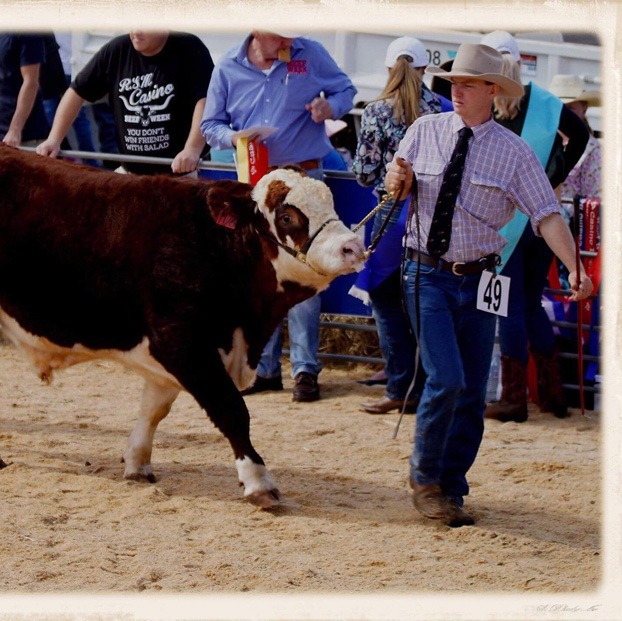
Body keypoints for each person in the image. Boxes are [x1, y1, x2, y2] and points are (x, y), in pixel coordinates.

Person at [385, 43, 593, 527]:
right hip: (425, 273)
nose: (456, 90)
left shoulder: (516, 153)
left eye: (468, 84)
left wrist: (574, 268)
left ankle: (452, 487)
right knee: (448, 378)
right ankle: (426, 478)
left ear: (491, 90)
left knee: (473, 390)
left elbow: (546, 215)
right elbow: (392, 187)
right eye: (454, 82)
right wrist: (396, 180)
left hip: (481, 278)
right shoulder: (423, 131)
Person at [201, 30, 357, 402]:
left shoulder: (311, 52)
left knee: (306, 269)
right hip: (258, 184)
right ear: (259, 30)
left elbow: (346, 91)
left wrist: (329, 109)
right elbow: (210, 127)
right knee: (261, 275)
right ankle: (264, 369)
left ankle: (304, 369)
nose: (289, 36)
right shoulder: (226, 67)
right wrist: (236, 136)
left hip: (304, 179)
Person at [479, 33, 589, 423]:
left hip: (508, 220)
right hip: (543, 218)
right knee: (530, 304)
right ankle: (552, 396)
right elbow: (581, 135)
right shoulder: (545, 101)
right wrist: (554, 174)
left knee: (508, 305)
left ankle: (512, 399)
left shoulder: (488, 100)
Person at [351, 36, 448, 415]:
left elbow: (363, 174)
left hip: (392, 214)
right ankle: (426, 384)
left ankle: (399, 385)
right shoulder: (441, 109)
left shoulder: (376, 112)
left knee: (387, 302)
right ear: (425, 70)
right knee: (422, 303)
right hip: (432, 216)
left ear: (389, 69)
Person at [37, 31, 213, 175]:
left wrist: (192, 149)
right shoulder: (117, 49)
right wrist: (54, 139)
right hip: (132, 174)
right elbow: (76, 92)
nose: (135, 31)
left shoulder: (189, 48)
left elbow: (205, 100)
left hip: (185, 174)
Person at [40, 33, 101, 167]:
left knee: (77, 118)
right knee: (71, 118)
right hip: (62, 67)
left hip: (67, 68)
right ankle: (82, 160)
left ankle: (88, 161)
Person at [550, 74, 602, 201]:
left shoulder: (593, 151)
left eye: (570, 109)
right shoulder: (544, 139)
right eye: (559, 108)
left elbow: (592, 200)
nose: (564, 115)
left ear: (584, 110)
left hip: (569, 217)